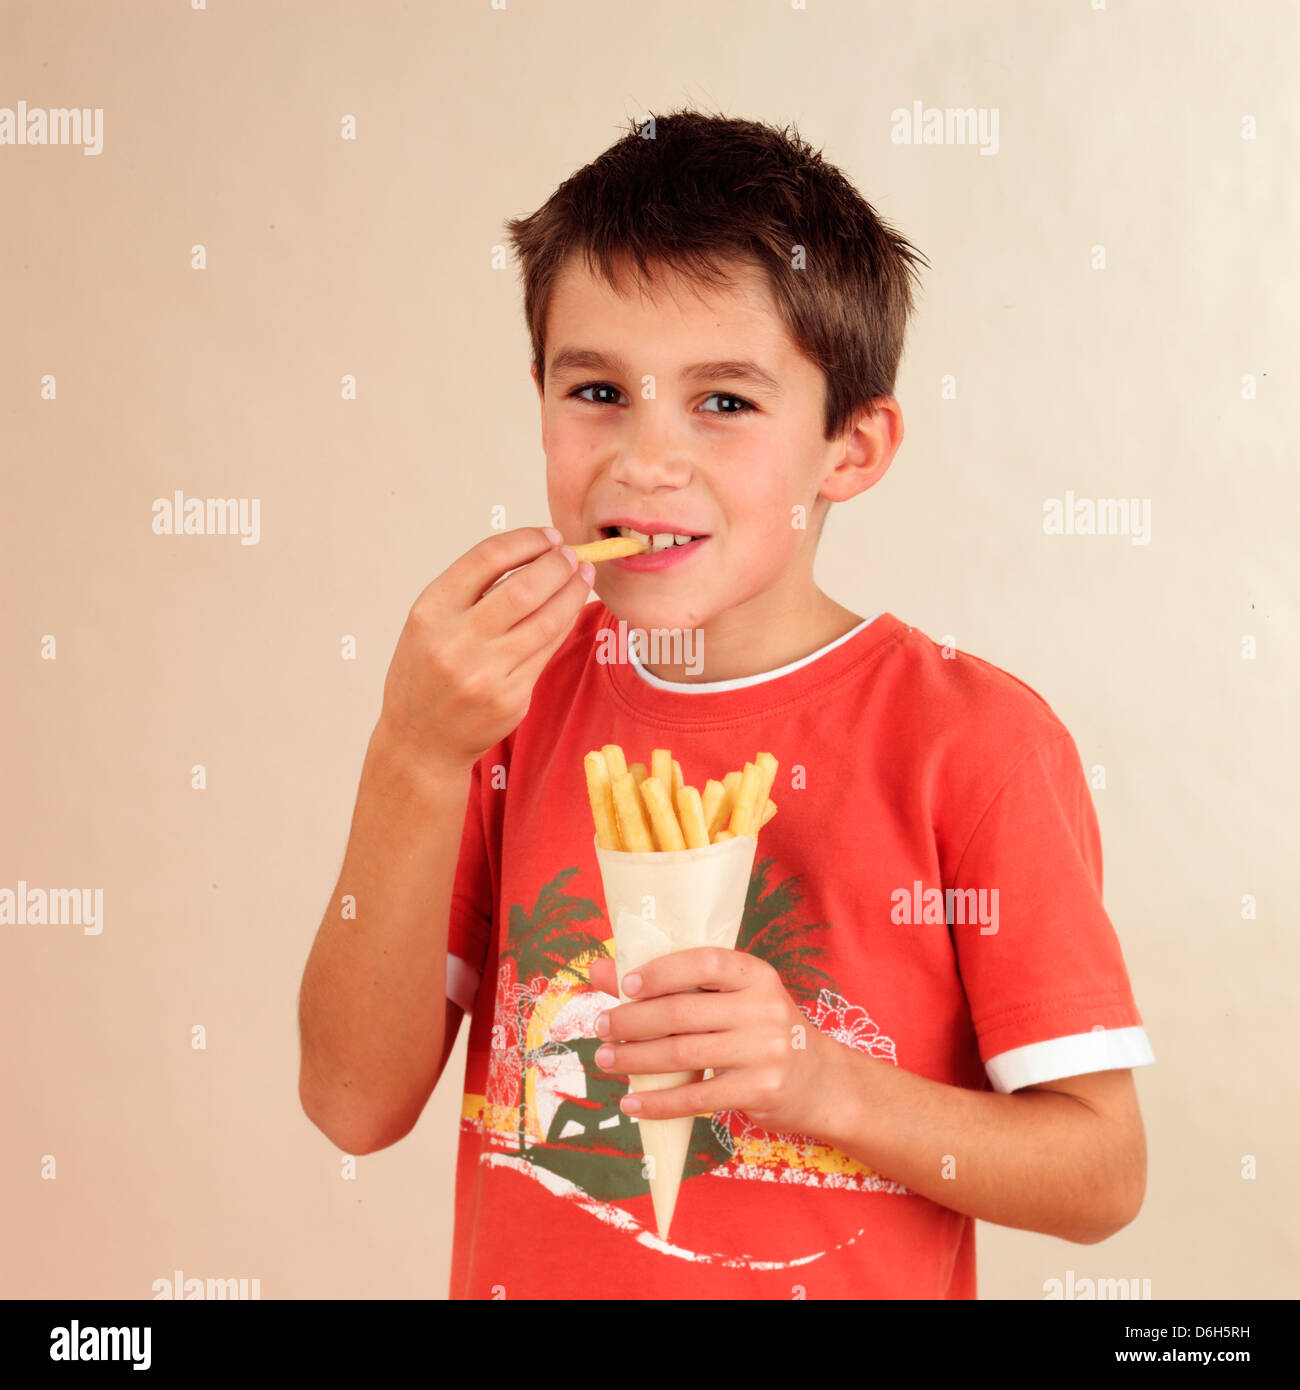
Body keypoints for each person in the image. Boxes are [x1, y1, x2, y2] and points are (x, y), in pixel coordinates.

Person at [297, 110, 1153, 1299]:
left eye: (726, 402)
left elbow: (1102, 1173)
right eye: (596, 388)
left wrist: (818, 1080)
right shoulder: (504, 708)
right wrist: (413, 755)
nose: (645, 459)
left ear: (849, 450)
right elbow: (350, 1102)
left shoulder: (974, 744)